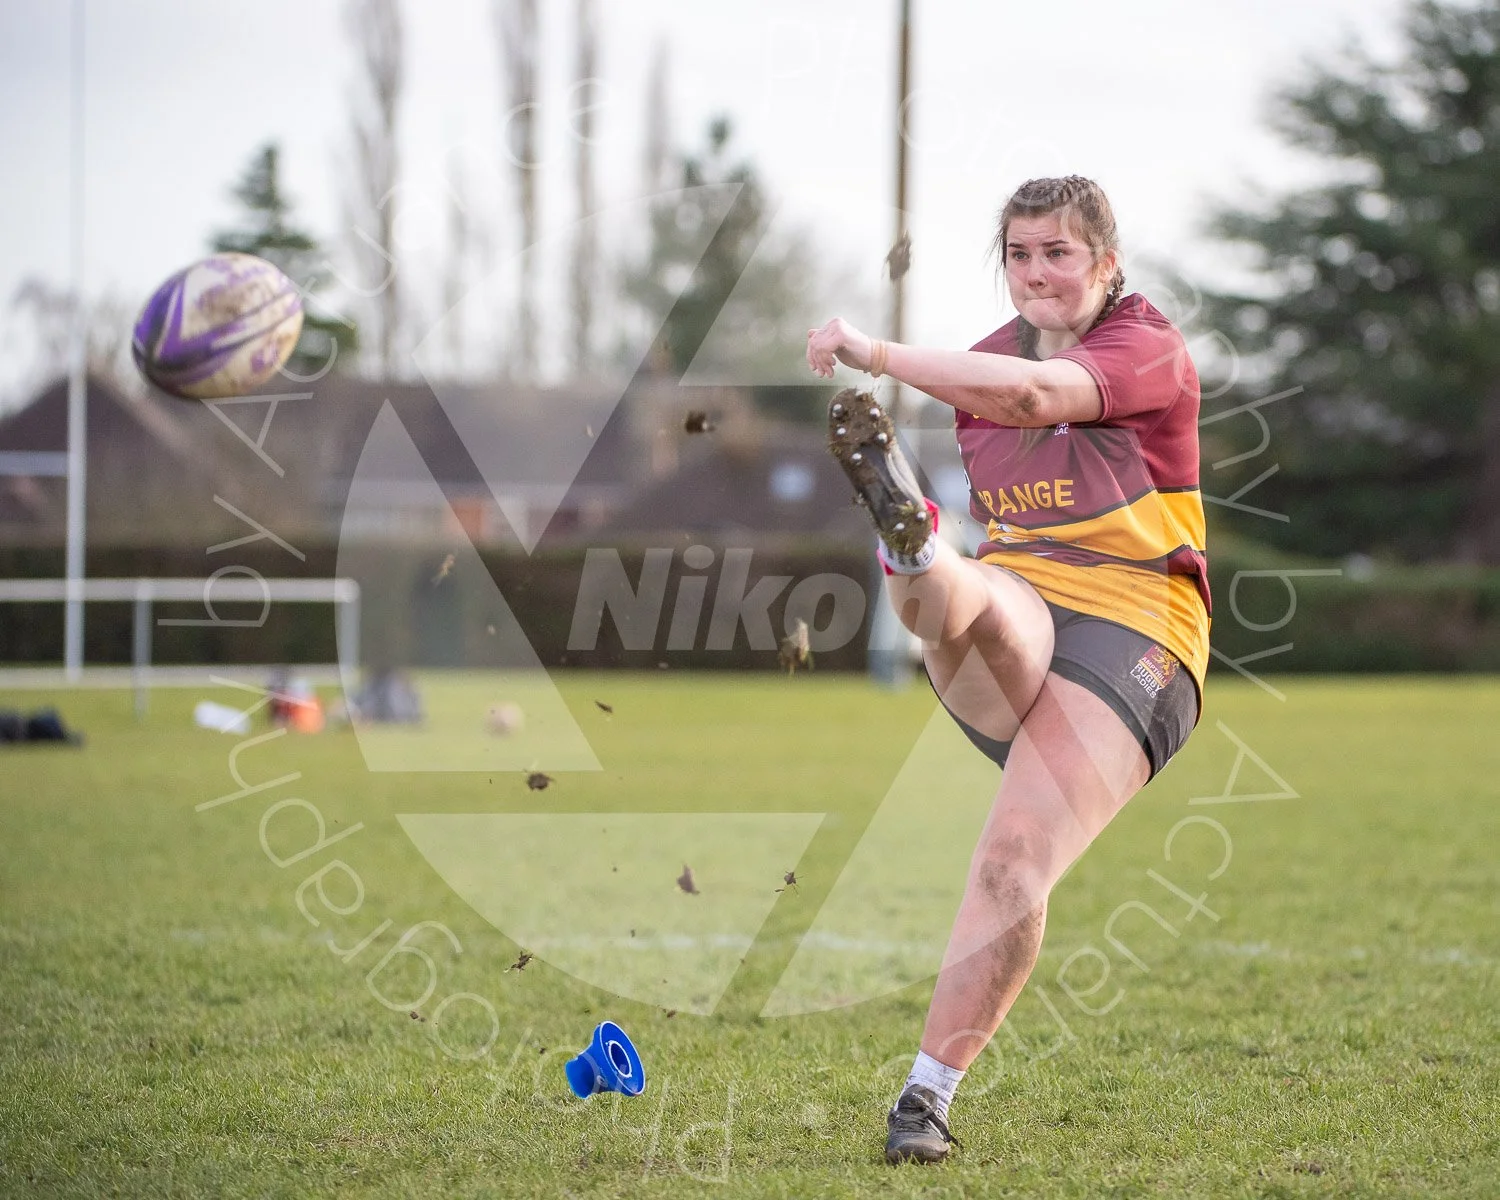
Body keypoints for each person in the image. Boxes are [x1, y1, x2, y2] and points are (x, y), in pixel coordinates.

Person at [805, 176, 1210, 1164]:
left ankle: (925, 1099)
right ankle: (912, 551)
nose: (1037, 274)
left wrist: (873, 352)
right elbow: (1006, 387)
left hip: (1141, 618)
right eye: (1020, 255)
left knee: (1010, 859)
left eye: (1058, 254)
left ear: (1105, 263)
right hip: (1024, 592)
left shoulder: (1144, 344)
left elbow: (1037, 395)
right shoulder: (981, 368)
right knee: (969, 597)